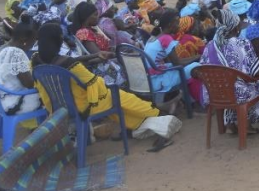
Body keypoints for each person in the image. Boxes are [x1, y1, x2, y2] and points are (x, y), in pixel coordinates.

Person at [33, 23, 182, 151]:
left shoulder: (35, 61)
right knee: (121, 97)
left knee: (119, 102)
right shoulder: (71, 65)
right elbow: (93, 82)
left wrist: (92, 57)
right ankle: (156, 113)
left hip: (59, 108)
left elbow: (68, 63)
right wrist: (103, 88)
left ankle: (139, 124)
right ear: (59, 40)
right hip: (83, 107)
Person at [200, 9, 259, 133]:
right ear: (235, 27)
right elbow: (255, 72)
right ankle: (247, 125)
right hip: (236, 94)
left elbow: (203, 68)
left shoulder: (210, 45)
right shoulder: (242, 43)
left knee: (234, 82)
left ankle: (230, 122)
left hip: (214, 93)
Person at [0, 20, 42, 119]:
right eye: (33, 41)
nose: (34, 44)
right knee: (51, 95)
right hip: (12, 104)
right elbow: (30, 84)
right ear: (24, 40)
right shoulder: (16, 53)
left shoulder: (0, 49)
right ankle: (45, 130)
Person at [143, 9, 202, 92]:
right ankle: (192, 98)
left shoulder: (154, 37)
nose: (179, 26)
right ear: (171, 25)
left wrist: (195, 57)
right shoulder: (166, 39)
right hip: (156, 81)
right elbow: (177, 63)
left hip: (149, 78)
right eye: (177, 23)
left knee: (188, 64)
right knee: (197, 66)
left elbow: (172, 62)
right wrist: (198, 57)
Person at [70, 2, 125, 87]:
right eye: (95, 15)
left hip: (107, 63)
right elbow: (99, 55)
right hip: (104, 69)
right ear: (86, 17)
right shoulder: (84, 32)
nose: (98, 17)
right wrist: (117, 54)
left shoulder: (91, 30)